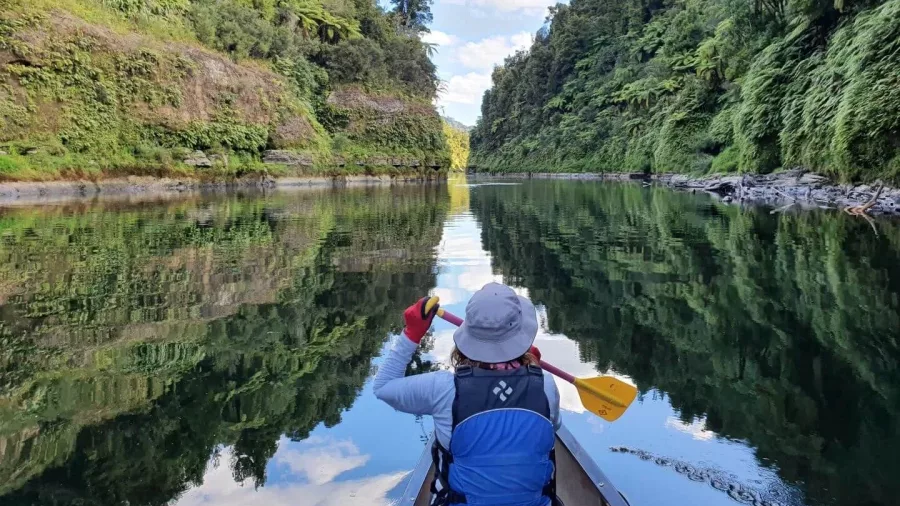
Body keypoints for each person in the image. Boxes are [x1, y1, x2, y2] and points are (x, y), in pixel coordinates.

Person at [374, 282, 562, 506]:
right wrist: (533, 372)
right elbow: (553, 427)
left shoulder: (443, 389)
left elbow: (383, 387)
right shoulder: (546, 386)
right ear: (522, 334)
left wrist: (411, 334)